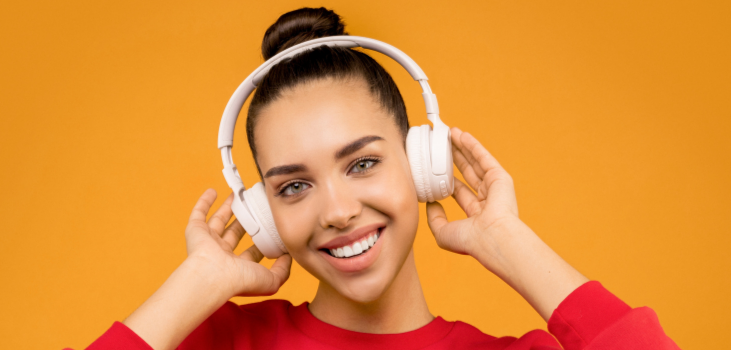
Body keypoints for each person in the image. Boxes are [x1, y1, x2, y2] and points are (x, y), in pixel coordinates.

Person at [80, 7, 679, 350]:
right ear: (262, 214)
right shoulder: (219, 343)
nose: (337, 210)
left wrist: (511, 243)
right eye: (293, 186)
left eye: (362, 163)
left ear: (422, 164)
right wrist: (198, 282)